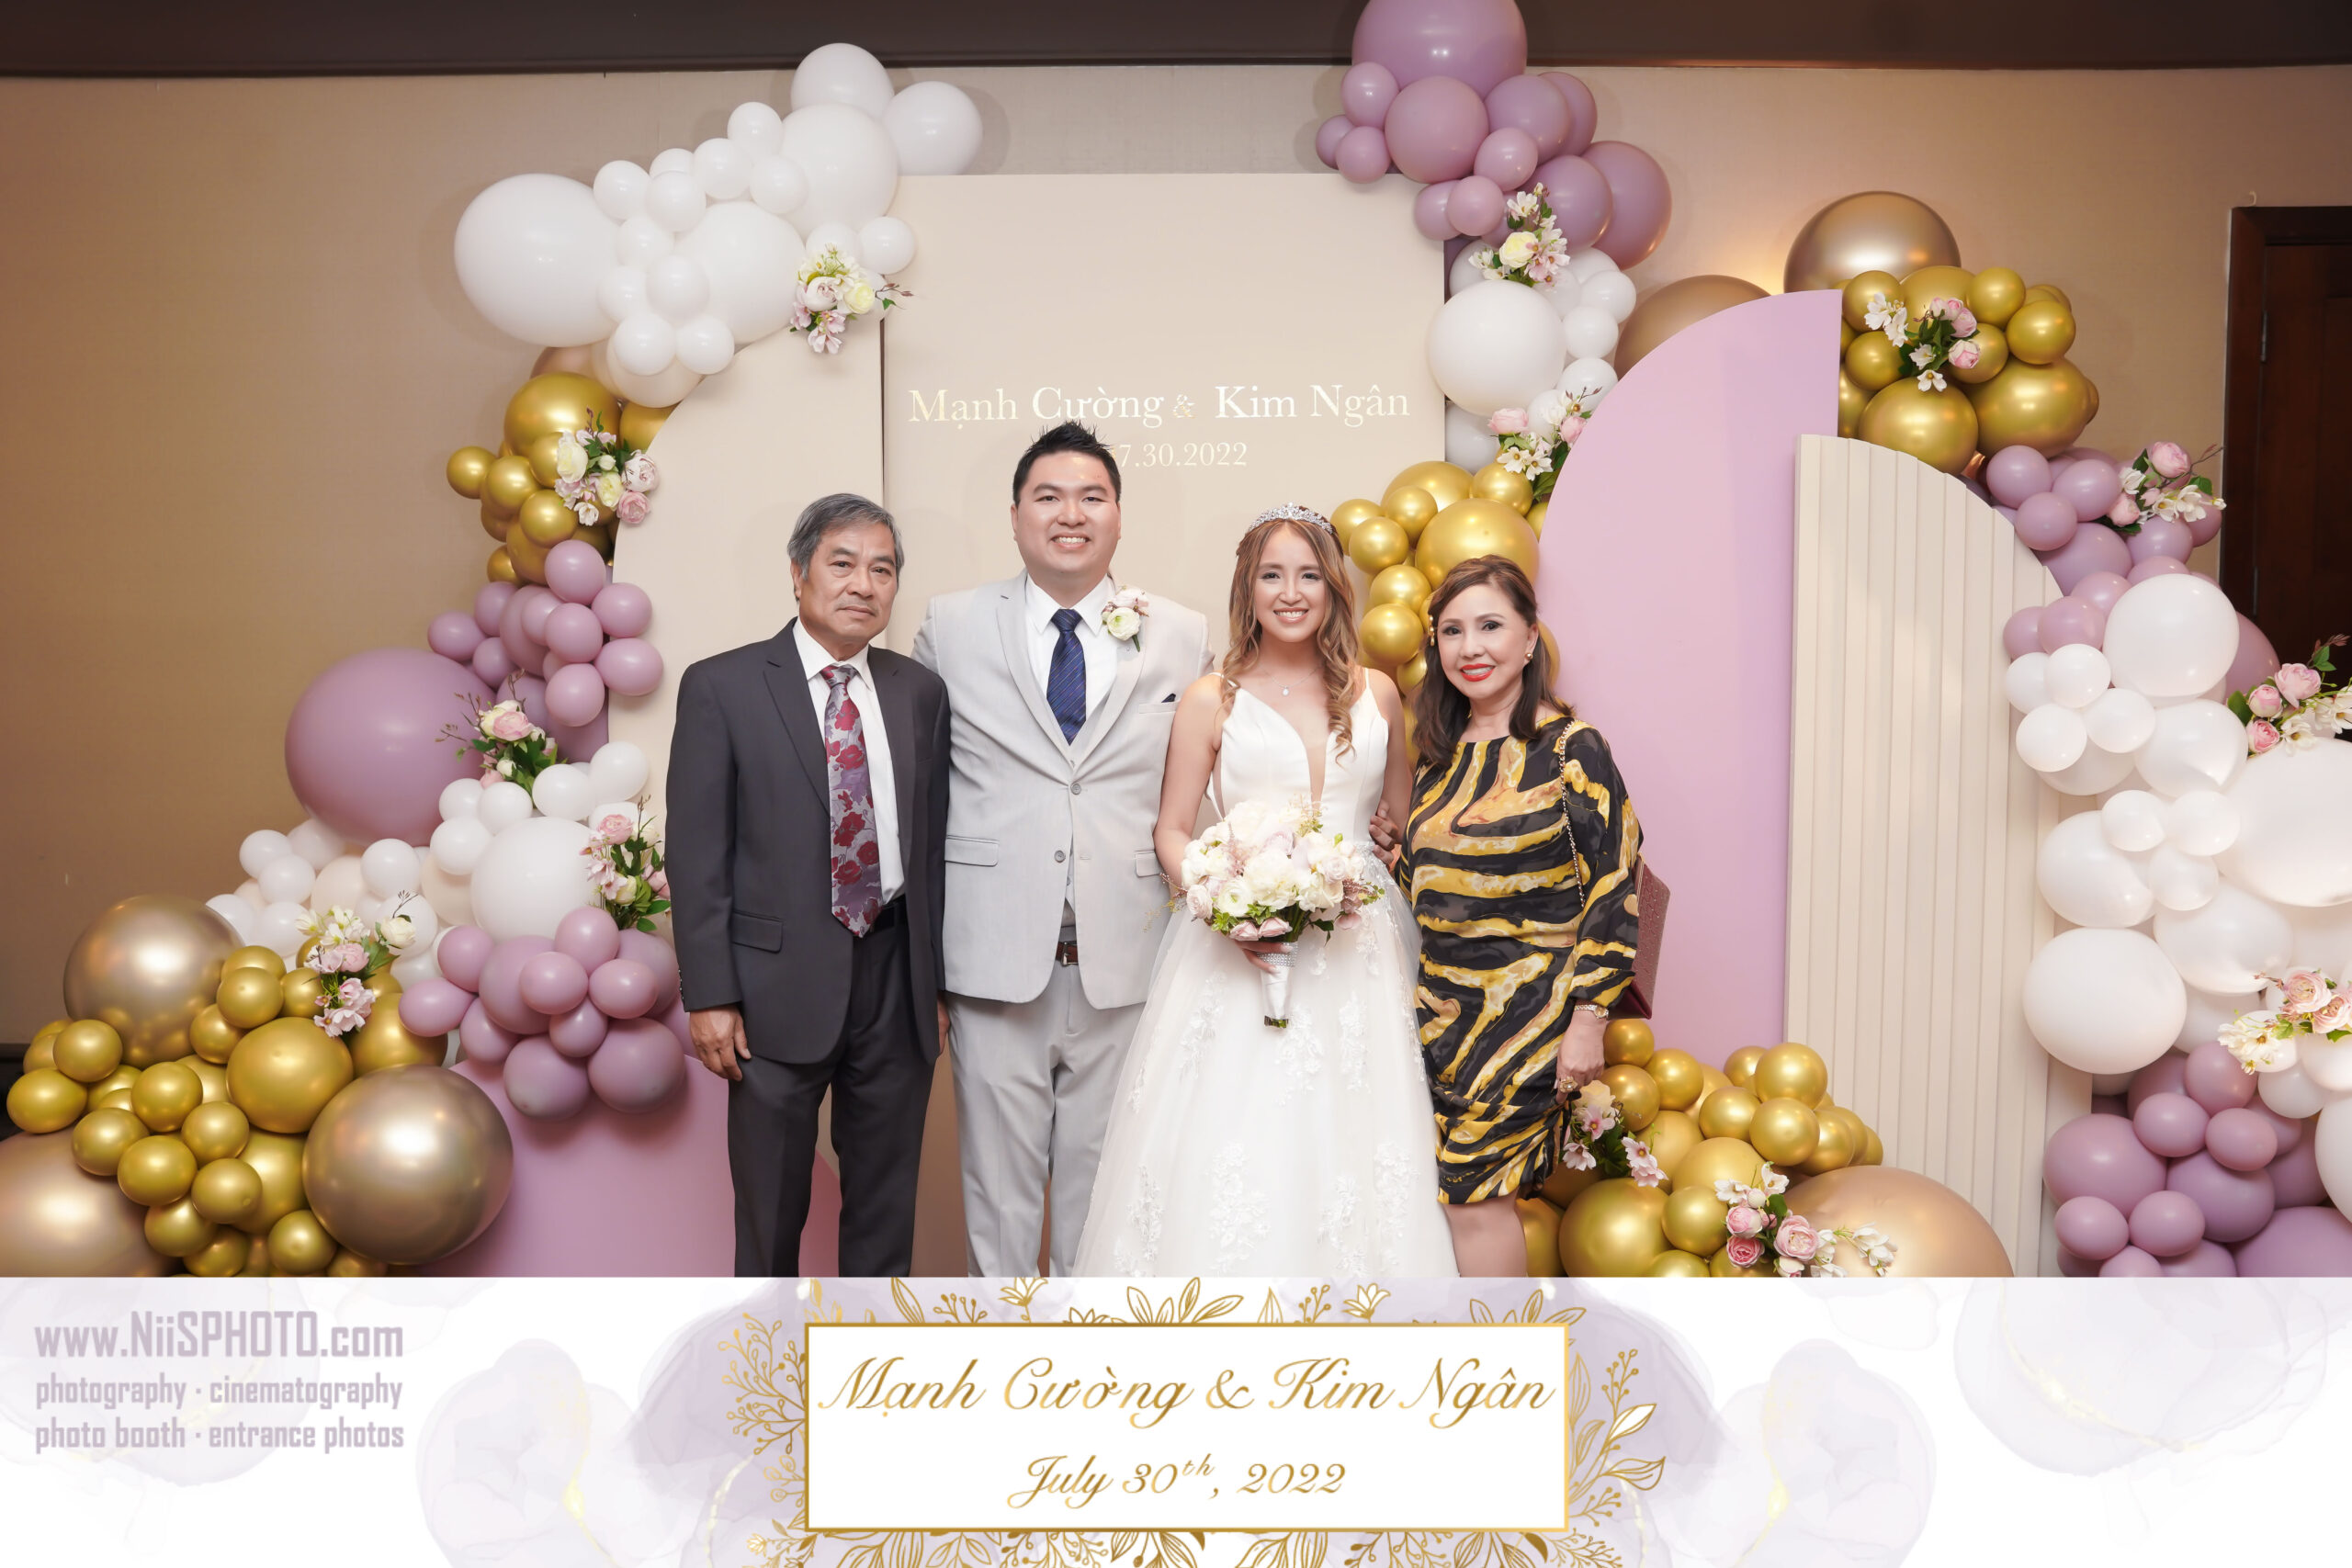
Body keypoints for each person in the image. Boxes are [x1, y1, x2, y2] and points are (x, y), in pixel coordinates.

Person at [1072, 505, 1457, 1276]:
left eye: (1309, 575)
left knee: (1362, 1129)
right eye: (1272, 575)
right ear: (1246, 588)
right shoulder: (1211, 697)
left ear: (1335, 588)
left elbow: (1401, 820)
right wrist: (1224, 905)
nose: (1291, 592)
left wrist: (1387, 842)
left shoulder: (1379, 693)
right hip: (1238, 947)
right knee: (1240, 1132)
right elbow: (1171, 829)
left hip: (1361, 945)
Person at [911, 423, 1212, 1276]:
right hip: (991, 959)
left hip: (1130, 957)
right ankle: (1005, 1352)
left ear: (1118, 515)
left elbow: (1212, 781)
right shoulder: (951, 624)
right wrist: (920, 965)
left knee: (1106, 1200)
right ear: (1015, 516)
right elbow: (918, 793)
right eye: (1048, 496)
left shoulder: (1181, 633)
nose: (1070, 514)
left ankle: (1089, 1353)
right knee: (998, 1202)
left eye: (1091, 497)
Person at [667, 493, 953, 1278]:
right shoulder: (723, 685)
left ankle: (867, 1355)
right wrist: (709, 994)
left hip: (895, 978)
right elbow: (696, 853)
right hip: (770, 990)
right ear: (798, 575)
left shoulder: (919, 692)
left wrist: (933, 983)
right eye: (843, 563)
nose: (864, 583)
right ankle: (767, 1356)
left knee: (885, 1212)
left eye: (882, 569)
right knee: (770, 1215)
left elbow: (931, 849)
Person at [1405, 556, 1643, 1277]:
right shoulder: (1436, 760)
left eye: (1490, 626)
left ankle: (1500, 1351)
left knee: (1475, 1200)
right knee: (1441, 1199)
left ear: (1530, 638)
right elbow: (1437, 892)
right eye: (1452, 631)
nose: (1470, 647)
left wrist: (1589, 1020)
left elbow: (1615, 886)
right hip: (1439, 1016)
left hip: (1530, 1017)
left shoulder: (1571, 748)